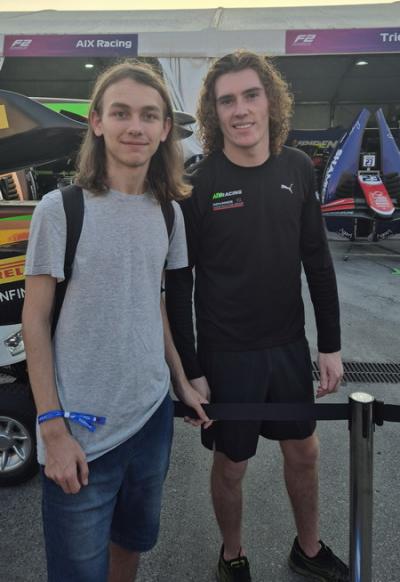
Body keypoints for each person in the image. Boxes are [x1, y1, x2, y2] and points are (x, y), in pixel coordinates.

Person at [22, 61, 209, 582]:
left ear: (165, 128)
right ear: (97, 122)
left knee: (130, 545)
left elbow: (153, 301)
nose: (135, 126)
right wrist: (51, 429)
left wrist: (180, 380)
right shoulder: (60, 210)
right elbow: (34, 322)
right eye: (121, 112)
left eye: (149, 115)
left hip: (150, 419)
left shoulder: (169, 212)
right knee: (77, 571)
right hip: (81, 431)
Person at [165, 50, 349, 582]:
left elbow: (316, 259)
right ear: (214, 112)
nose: (240, 109)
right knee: (232, 464)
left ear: (271, 101)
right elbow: (180, 282)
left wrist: (330, 344)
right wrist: (191, 370)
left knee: (305, 452)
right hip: (227, 354)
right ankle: (232, 554)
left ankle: (308, 549)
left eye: (251, 95)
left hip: (288, 345)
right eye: (227, 101)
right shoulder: (197, 184)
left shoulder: (297, 168)